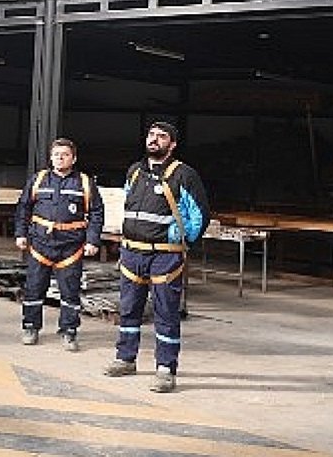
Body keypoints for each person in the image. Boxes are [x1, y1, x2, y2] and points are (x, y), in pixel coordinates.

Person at [104, 121, 209, 393]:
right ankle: (125, 358)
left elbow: (200, 216)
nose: (154, 140)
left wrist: (178, 236)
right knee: (128, 309)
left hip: (164, 256)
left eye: (162, 137)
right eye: (151, 135)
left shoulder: (184, 175)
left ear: (172, 145)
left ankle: (165, 368)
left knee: (165, 312)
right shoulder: (135, 171)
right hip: (132, 252)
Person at [14, 138, 105, 352]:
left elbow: (96, 212)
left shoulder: (84, 182)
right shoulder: (38, 179)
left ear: (73, 158)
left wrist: (92, 240)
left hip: (71, 247)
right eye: (56, 154)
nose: (59, 158)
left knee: (70, 292)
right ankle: (30, 327)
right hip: (40, 244)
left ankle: (69, 331)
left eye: (64, 155)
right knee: (34, 288)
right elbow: (23, 208)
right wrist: (20, 234)